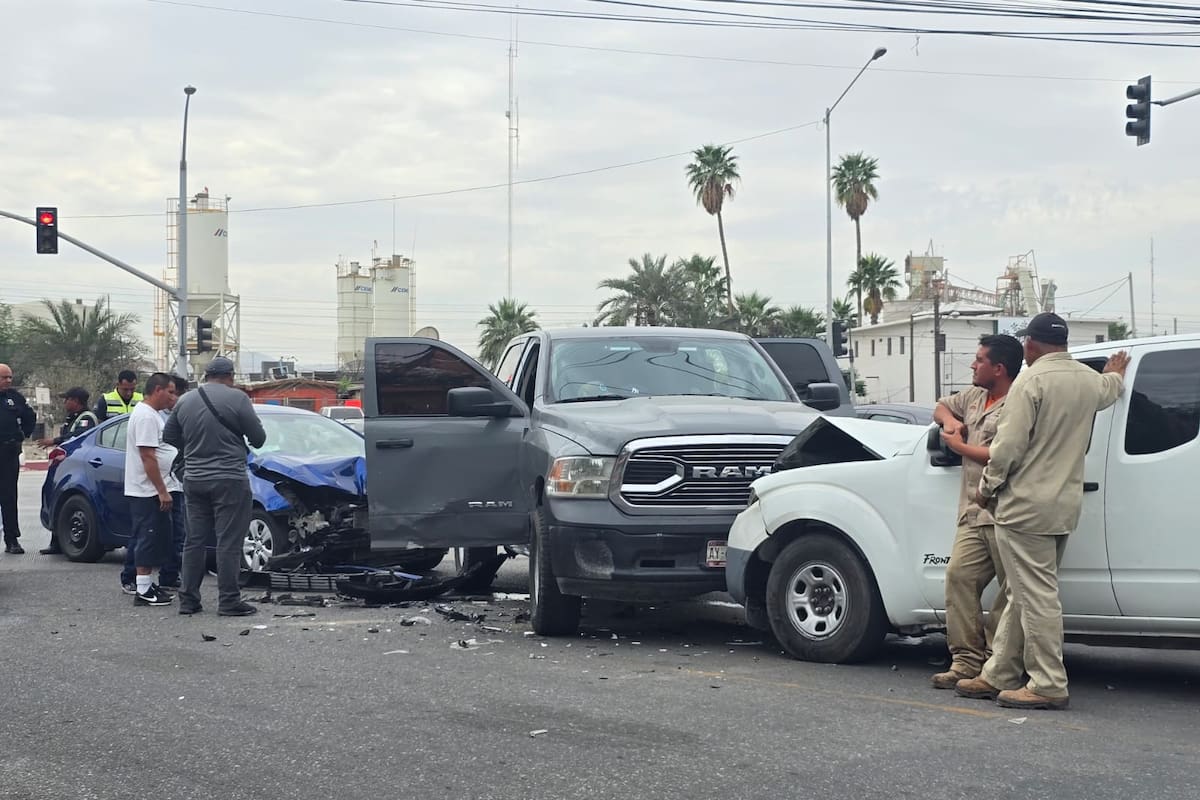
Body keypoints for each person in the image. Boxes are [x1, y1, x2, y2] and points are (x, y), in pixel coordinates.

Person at [956, 313, 1129, 710]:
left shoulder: (1029, 383)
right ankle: (999, 672)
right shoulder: (1089, 381)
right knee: (1021, 591)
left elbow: (1007, 449)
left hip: (1024, 508)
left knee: (1036, 597)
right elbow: (1108, 389)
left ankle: (1048, 683)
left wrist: (985, 490)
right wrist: (1116, 375)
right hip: (1062, 506)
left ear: (1030, 346)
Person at [929, 334, 1023, 689]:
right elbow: (941, 405)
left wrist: (958, 446)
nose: (972, 364)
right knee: (959, 577)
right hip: (972, 512)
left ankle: (998, 666)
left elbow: (1004, 455)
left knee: (1010, 592)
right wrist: (949, 423)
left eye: (979, 359)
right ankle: (966, 660)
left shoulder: (1018, 401)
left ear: (998, 369)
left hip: (1002, 509)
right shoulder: (975, 395)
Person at [164, 357, 266, 616]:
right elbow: (259, 438)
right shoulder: (238, 399)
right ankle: (229, 601)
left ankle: (188, 600)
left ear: (207, 375)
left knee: (194, 542)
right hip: (230, 480)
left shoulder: (185, 400)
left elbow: (169, 436)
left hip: (194, 480)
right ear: (230, 376)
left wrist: (193, 453)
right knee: (228, 542)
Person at [119, 375, 187, 592]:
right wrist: (162, 490)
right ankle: (141, 587)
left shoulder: (155, 416)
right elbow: (148, 456)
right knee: (146, 537)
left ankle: (157, 581)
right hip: (148, 490)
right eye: (171, 392)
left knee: (163, 537)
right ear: (158, 390)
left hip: (166, 486)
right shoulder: (146, 417)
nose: (173, 397)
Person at [35, 387, 101, 554]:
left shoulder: (87, 418)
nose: (65, 402)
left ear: (76, 401)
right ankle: (56, 541)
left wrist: (55, 440)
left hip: (77, 466)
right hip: (65, 464)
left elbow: (78, 437)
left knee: (68, 500)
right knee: (56, 499)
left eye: (67, 399)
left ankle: (61, 542)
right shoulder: (72, 417)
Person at [0, 364, 37, 555]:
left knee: (8, 497)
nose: (8, 381)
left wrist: (23, 433)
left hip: (8, 453)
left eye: (9, 377)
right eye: (4, 377)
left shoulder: (14, 398)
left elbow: (30, 416)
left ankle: (12, 539)